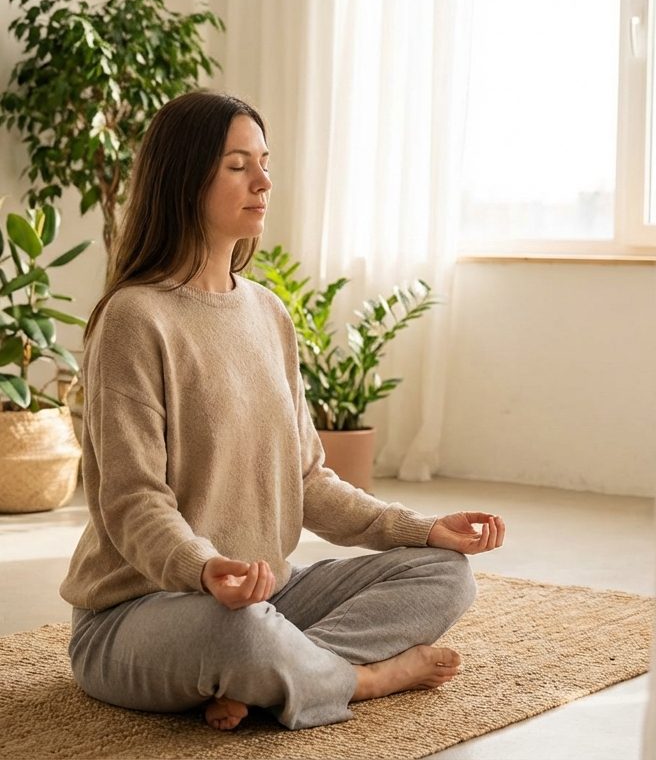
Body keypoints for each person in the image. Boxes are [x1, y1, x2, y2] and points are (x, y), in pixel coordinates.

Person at [60, 90, 505, 732]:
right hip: (142, 611)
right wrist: (205, 569)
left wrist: (420, 529)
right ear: (184, 179)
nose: (264, 182)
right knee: (236, 632)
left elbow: (307, 482)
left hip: (271, 596)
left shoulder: (269, 313)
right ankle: (361, 679)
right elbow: (132, 502)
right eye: (238, 165)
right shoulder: (136, 318)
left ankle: (279, 676)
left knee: (445, 576)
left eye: (264, 162)